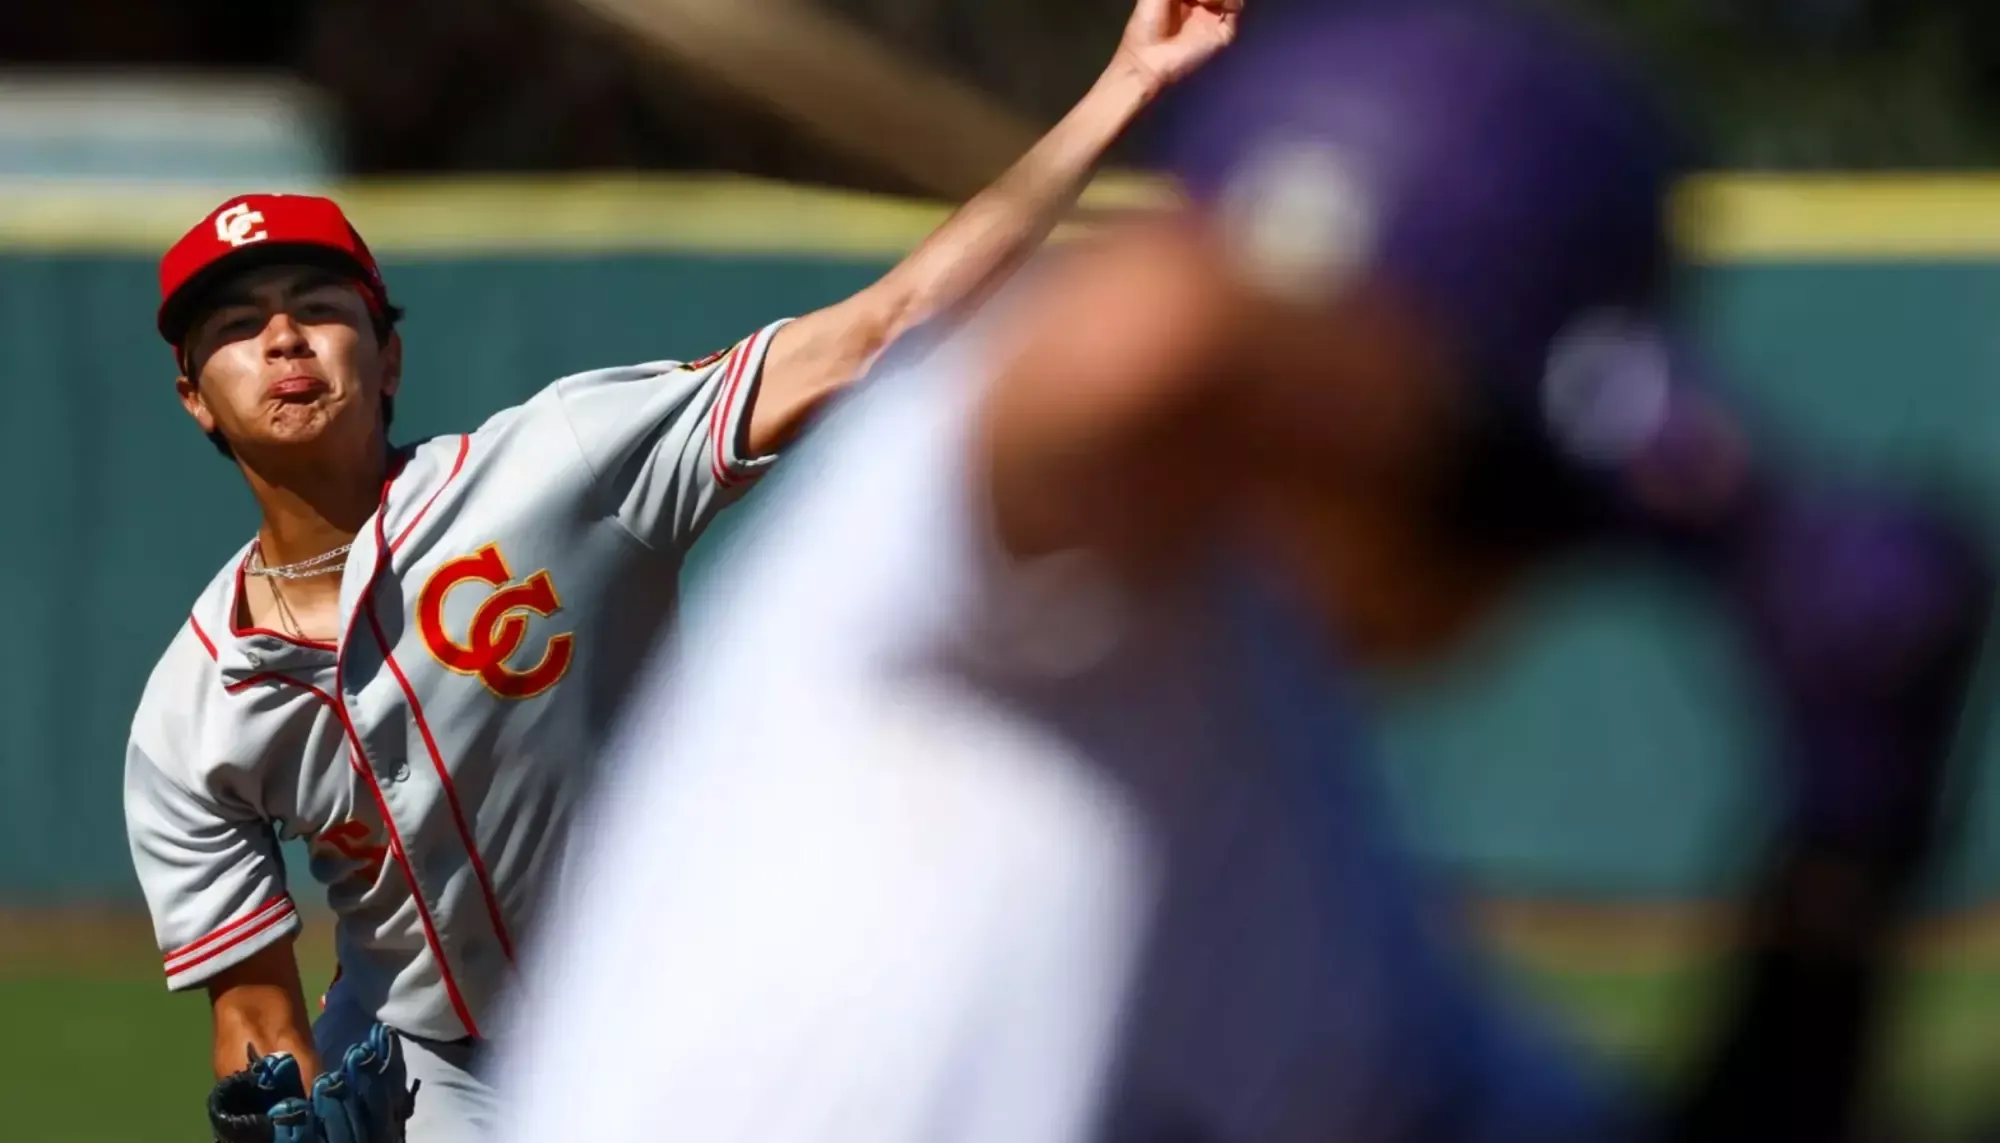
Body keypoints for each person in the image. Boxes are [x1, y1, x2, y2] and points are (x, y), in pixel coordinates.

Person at [488, 3, 1996, 1141]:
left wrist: (1843, 866)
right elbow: (1159, 334)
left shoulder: (1343, 897)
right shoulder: (998, 546)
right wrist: (1655, 462)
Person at [119, 3, 1243, 1139]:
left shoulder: (556, 463)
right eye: (237, 324)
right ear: (192, 397)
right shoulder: (190, 715)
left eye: (319, 307)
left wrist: (1127, 86)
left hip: (689, 1004)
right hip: (438, 1080)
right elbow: (257, 1020)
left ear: (390, 352)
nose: (284, 340)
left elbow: (879, 326)